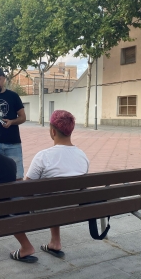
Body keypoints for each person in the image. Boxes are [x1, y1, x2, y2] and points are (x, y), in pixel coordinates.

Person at [11, 110, 89, 263]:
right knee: (57, 197)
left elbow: (27, 189)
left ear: (53, 131)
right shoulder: (82, 156)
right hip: (72, 206)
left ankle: (26, 247)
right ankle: (55, 242)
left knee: (10, 203)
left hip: (45, 207)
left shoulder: (43, 156)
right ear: (71, 130)